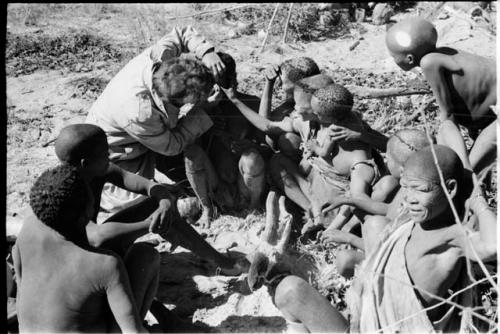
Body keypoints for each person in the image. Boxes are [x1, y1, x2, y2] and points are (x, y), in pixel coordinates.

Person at [273, 145, 495, 333]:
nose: (410, 198)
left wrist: (477, 199)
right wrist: (347, 199)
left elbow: (494, 246)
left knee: (292, 290)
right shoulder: (411, 220)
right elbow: (385, 211)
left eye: (420, 190)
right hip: (366, 323)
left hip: (389, 328)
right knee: (288, 291)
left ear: (450, 189)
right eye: (406, 187)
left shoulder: (452, 238)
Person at [86, 25, 228, 228]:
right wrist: (201, 110)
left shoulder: (161, 58)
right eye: (190, 100)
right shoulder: (140, 111)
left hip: (140, 136)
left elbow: (182, 32)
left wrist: (207, 53)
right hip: (117, 155)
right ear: (175, 100)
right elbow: (171, 146)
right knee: (140, 207)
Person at [54, 123, 245, 274]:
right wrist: (150, 225)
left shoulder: (98, 170)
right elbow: (96, 237)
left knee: (156, 206)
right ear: (84, 163)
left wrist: (163, 202)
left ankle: (218, 261)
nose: (110, 155)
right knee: (144, 240)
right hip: (78, 261)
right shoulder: (65, 191)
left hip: (95, 242)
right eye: (105, 153)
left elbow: (145, 185)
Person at [13, 164, 156, 332]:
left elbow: (21, 288)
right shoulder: (105, 264)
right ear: (88, 209)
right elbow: (132, 332)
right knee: (145, 255)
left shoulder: (26, 232)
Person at [223, 82, 379, 230]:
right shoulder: (307, 121)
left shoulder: (354, 147)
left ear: (319, 112)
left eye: (299, 105)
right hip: (317, 187)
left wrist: (337, 230)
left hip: (337, 205)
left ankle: (321, 219)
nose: (295, 108)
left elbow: (355, 198)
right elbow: (267, 125)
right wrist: (235, 100)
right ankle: (312, 210)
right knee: (278, 161)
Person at [386, 17, 497, 179]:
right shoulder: (444, 52)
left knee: (466, 174)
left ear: (409, 58)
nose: (393, 60)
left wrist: (460, 163)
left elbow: (448, 117)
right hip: (492, 113)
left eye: (393, 56)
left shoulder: (429, 62)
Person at [320, 129, 429, 278]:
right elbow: (388, 209)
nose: (385, 160)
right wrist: (350, 200)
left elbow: (387, 248)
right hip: (390, 245)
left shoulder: (415, 202)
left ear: (402, 170)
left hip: (399, 262)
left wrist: (348, 238)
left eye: (388, 159)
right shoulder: (410, 185)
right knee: (366, 210)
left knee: (345, 260)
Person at [202, 52, 268, 210]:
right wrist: (207, 125)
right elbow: (194, 152)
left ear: (233, 79)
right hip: (220, 186)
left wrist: (249, 146)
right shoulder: (201, 110)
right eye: (210, 83)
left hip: (246, 182)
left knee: (251, 159)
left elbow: (269, 149)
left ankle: (254, 205)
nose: (215, 89)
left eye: (220, 82)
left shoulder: (251, 104)